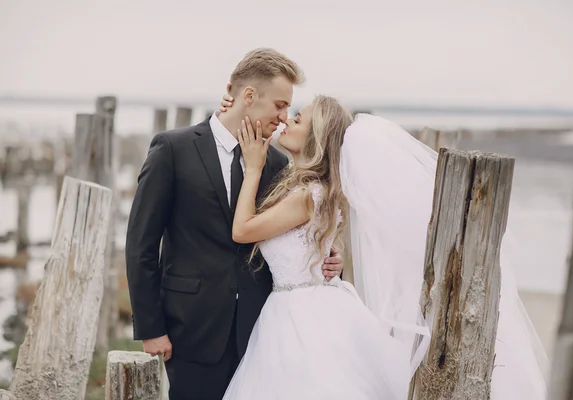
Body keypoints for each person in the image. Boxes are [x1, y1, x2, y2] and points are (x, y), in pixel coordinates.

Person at [218, 94, 549, 399]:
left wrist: (255, 166)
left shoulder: (308, 195)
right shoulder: (319, 190)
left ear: (316, 138)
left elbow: (244, 230)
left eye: (298, 119)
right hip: (309, 306)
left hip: (300, 316)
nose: (287, 121)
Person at [125, 48, 344, 400]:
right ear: (248, 96)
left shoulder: (276, 164)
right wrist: (151, 328)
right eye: (279, 105)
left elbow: (295, 231)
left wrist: (329, 256)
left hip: (262, 332)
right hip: (191, 328)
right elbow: (141, 245)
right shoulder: (173, 149)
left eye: (289, 108)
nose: (284, 117)